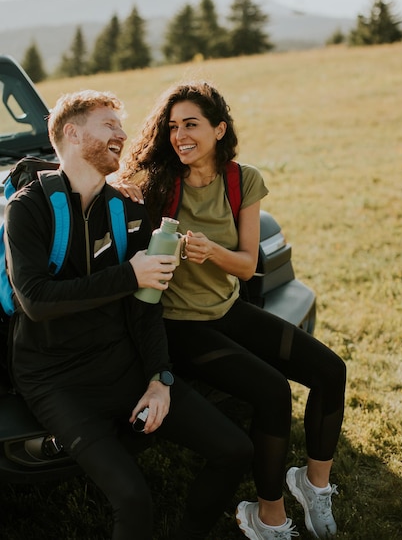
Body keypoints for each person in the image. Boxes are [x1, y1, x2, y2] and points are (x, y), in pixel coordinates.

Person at [4, 90, 254, 540]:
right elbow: (36, 301)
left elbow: (145, 308)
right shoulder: (28, 208)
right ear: (72, 134)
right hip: (54, 378)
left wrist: (160, 378)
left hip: (120, 363)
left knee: (235, 449)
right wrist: (129, 273)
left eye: (121, 125)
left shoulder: (127, 209)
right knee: (134, 499)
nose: (123, 133)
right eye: (109, 125)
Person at [117, 80, 347, 540]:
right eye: (173, 126)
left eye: (192, 124)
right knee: (272, 391)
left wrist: (210, 252)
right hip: (178, 326)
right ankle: (268, 516)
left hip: (225, 309)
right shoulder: (157, 184)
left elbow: (245, 266)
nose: (180, 135)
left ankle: (313, 485)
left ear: (219, 129)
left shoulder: (244, 179)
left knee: (330, 370)